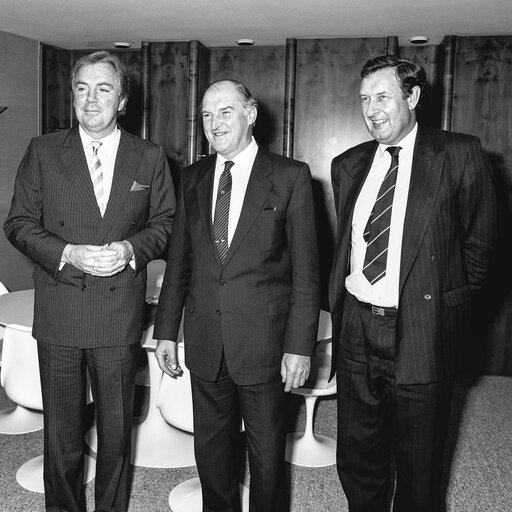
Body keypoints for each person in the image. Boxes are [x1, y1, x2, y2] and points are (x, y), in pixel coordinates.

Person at [4, 51, 175, 512]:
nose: (90, 98)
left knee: (117, 432)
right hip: (60, 309)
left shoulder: (149, 156)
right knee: (62, 435)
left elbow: (165, 224)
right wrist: (67, 253)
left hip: (118, 311)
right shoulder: (43, 150)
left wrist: (128, 250)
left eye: (103, 88)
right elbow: (18, 223)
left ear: (122, 101)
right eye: (82, 87)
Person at [328, 55, 496, 511]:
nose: (371, 109)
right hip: (357, 331)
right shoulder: (348, 164)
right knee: (357, 458)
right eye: (364, 99)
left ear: (413, 96)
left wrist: (446, 312)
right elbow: (346, 246)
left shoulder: (459, 153)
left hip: (421, 329)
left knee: (419, 467)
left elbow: (481, 247)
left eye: (382, 97)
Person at [154, 79, 320, 512]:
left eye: (225, 112)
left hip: (264, 344)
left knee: (266, 457)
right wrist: (165, 332)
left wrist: (299, 347)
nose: (214, 123)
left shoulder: (290, 176)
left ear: (250, 115)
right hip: (206, 337)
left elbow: (307, 274)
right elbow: (180, 265)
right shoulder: (192, 178)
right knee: (211, 453)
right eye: (207, 115)